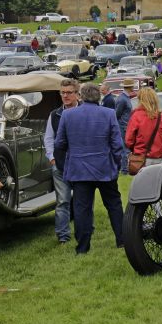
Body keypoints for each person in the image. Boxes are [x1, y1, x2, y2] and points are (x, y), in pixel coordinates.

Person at [54, 83, 125, 254]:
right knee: (114, 205)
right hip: (105, 169)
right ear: (99, 96)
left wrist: (67, 160)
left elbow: (59, 144)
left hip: (79, 170)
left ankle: (83, 247)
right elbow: (117, 144)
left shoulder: (68, 115)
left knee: (82, 209)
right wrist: (116, 164)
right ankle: (122, 240)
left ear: (81, 96)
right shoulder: (108, 114)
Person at [44, 78, 80, 243]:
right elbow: (48, 139)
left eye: (69, 93)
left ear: (77, 94)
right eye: (63, 93)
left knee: (82, 201)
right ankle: (63, 236)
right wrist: (52, 159)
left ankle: (84, 231)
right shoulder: (55, 115)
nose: (65, 96)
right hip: (60, 165)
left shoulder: (84, 112)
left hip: (81, 165)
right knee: (63, 201)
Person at [125, 87, 162, 170]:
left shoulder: (136, 116)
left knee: (142, 181)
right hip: (158, 156)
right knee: (157, 180)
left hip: (141, 156)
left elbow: (129, 140)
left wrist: (136, 149)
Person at [115, 79, 134, 174]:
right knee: (124, 149)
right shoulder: (122, 99)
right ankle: (124, 169)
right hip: (123, 127)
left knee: (126, 148)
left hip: (126, 126)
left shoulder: (125, 98)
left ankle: (125, 168)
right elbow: (117, 114)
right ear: (130, 87)